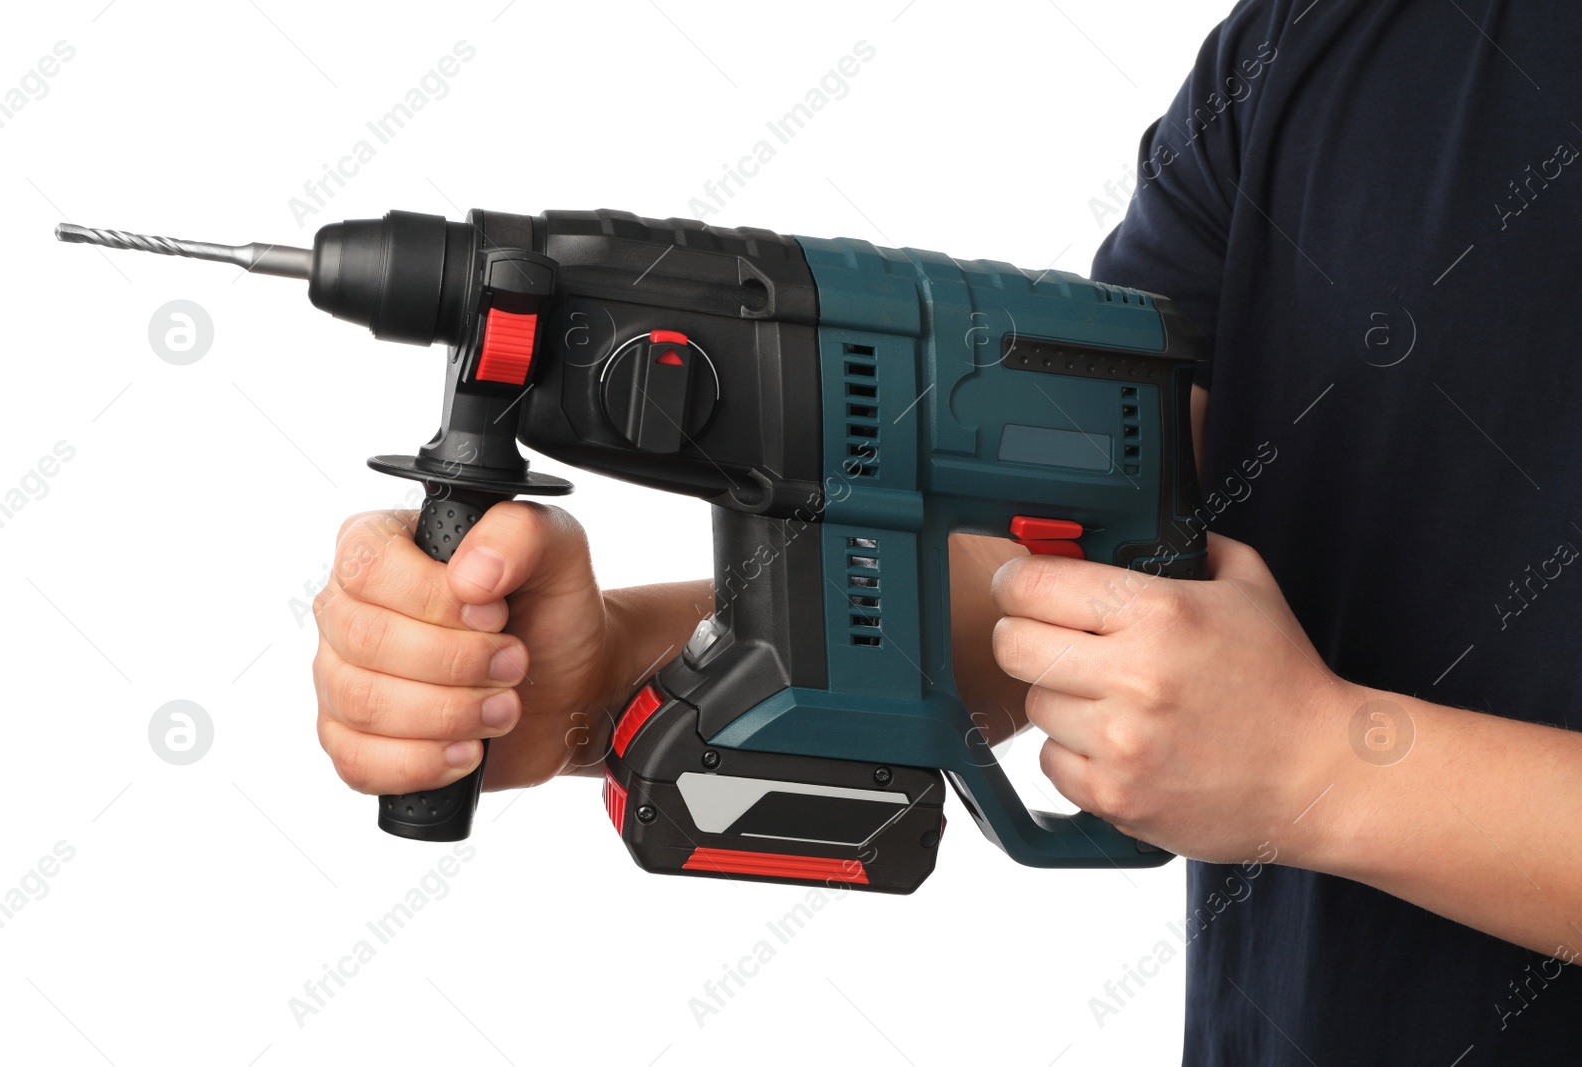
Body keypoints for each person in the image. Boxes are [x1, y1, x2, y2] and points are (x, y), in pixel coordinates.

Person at [310, 0, 1582, 1059]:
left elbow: (1268, 731)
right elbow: (1087, 567)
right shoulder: (1318, 41)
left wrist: (1326, 772)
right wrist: (589, 678)